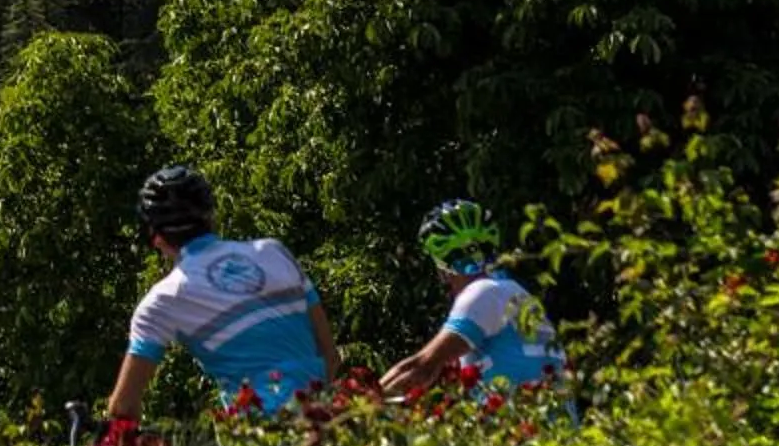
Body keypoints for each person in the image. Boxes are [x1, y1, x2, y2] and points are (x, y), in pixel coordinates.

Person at [101, 165, 341, 426]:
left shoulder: (163, 300)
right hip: (331, 420)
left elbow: (123, 408)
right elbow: (330, 354)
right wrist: (319, 417)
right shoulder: (275, 252)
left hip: (263, 440)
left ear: (156, 238)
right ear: (211, 217)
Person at [376, 198, 569, 402]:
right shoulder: (514, 292)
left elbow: (421, 367)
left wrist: (355, 409)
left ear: (443, 268)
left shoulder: (482, 293)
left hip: (528, 428)